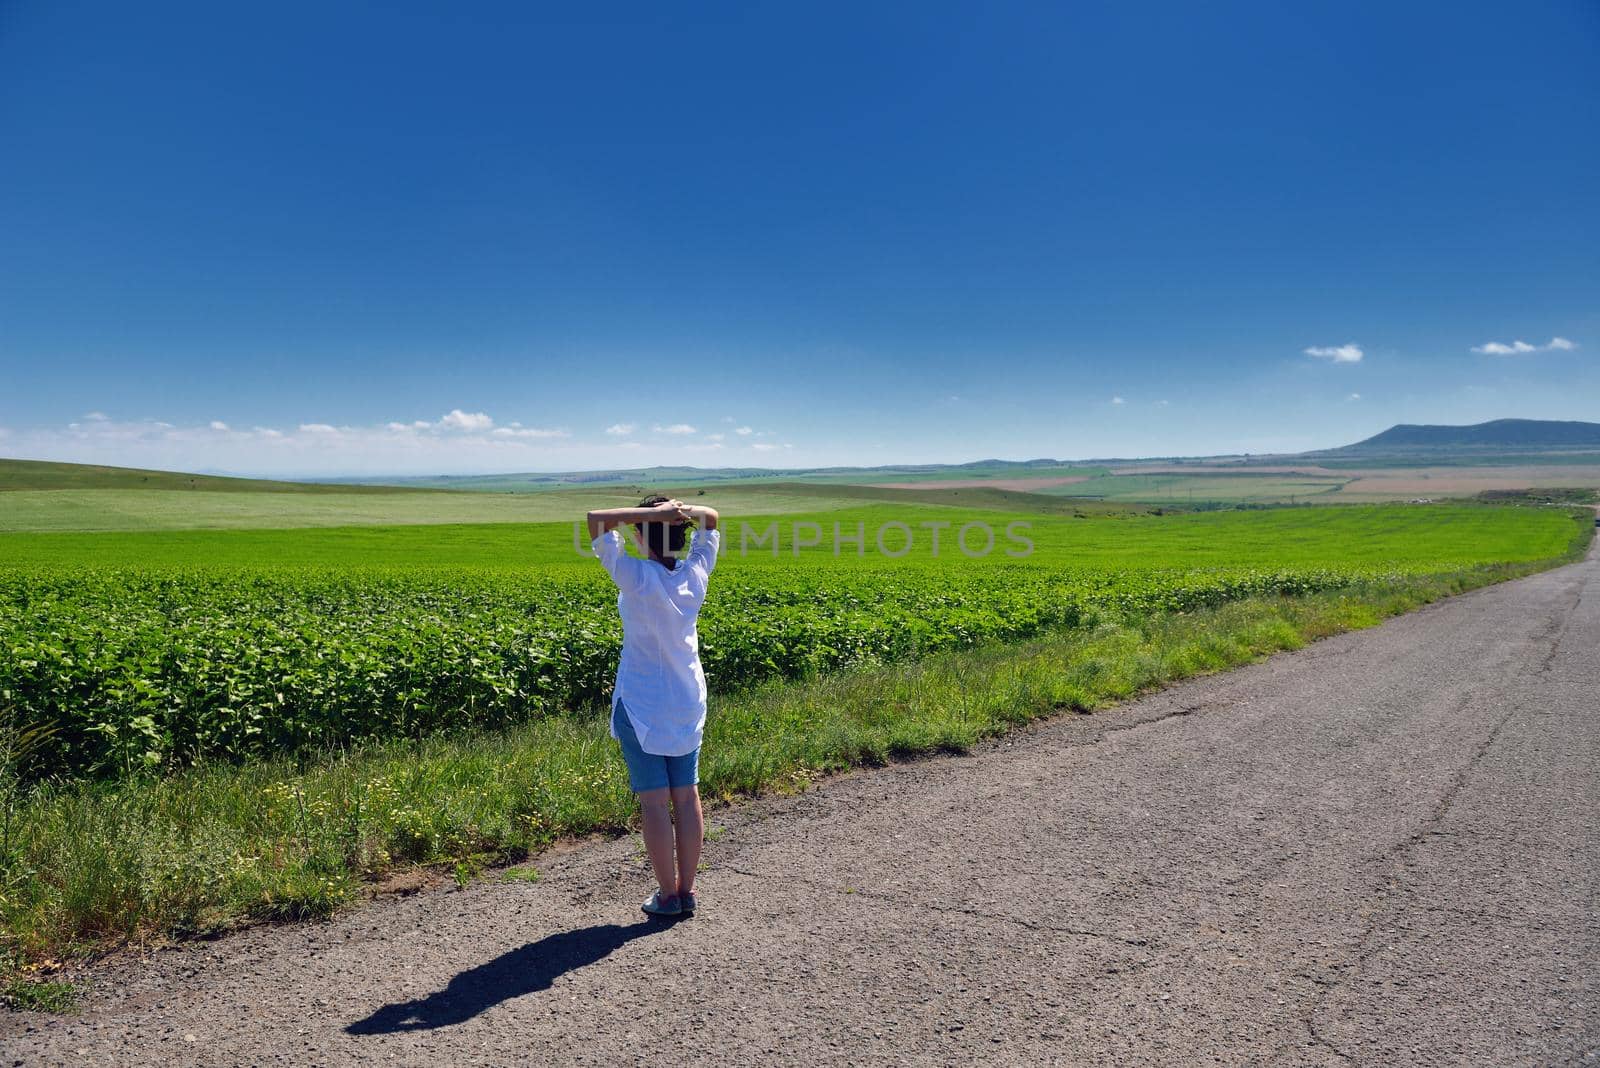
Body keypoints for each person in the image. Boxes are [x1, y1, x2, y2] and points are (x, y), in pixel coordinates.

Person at [586, 494, 721, 918]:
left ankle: (667, 896)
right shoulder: (695, 573)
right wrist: (676, 513)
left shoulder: (636, 577)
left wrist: (649, 515)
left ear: (642, 532)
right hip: (686, 700)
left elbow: (595, 520)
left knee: (654, 802)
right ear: (682, 532)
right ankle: (687, 891)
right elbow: (712, 518)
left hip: (642, 704)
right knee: (687, 796)